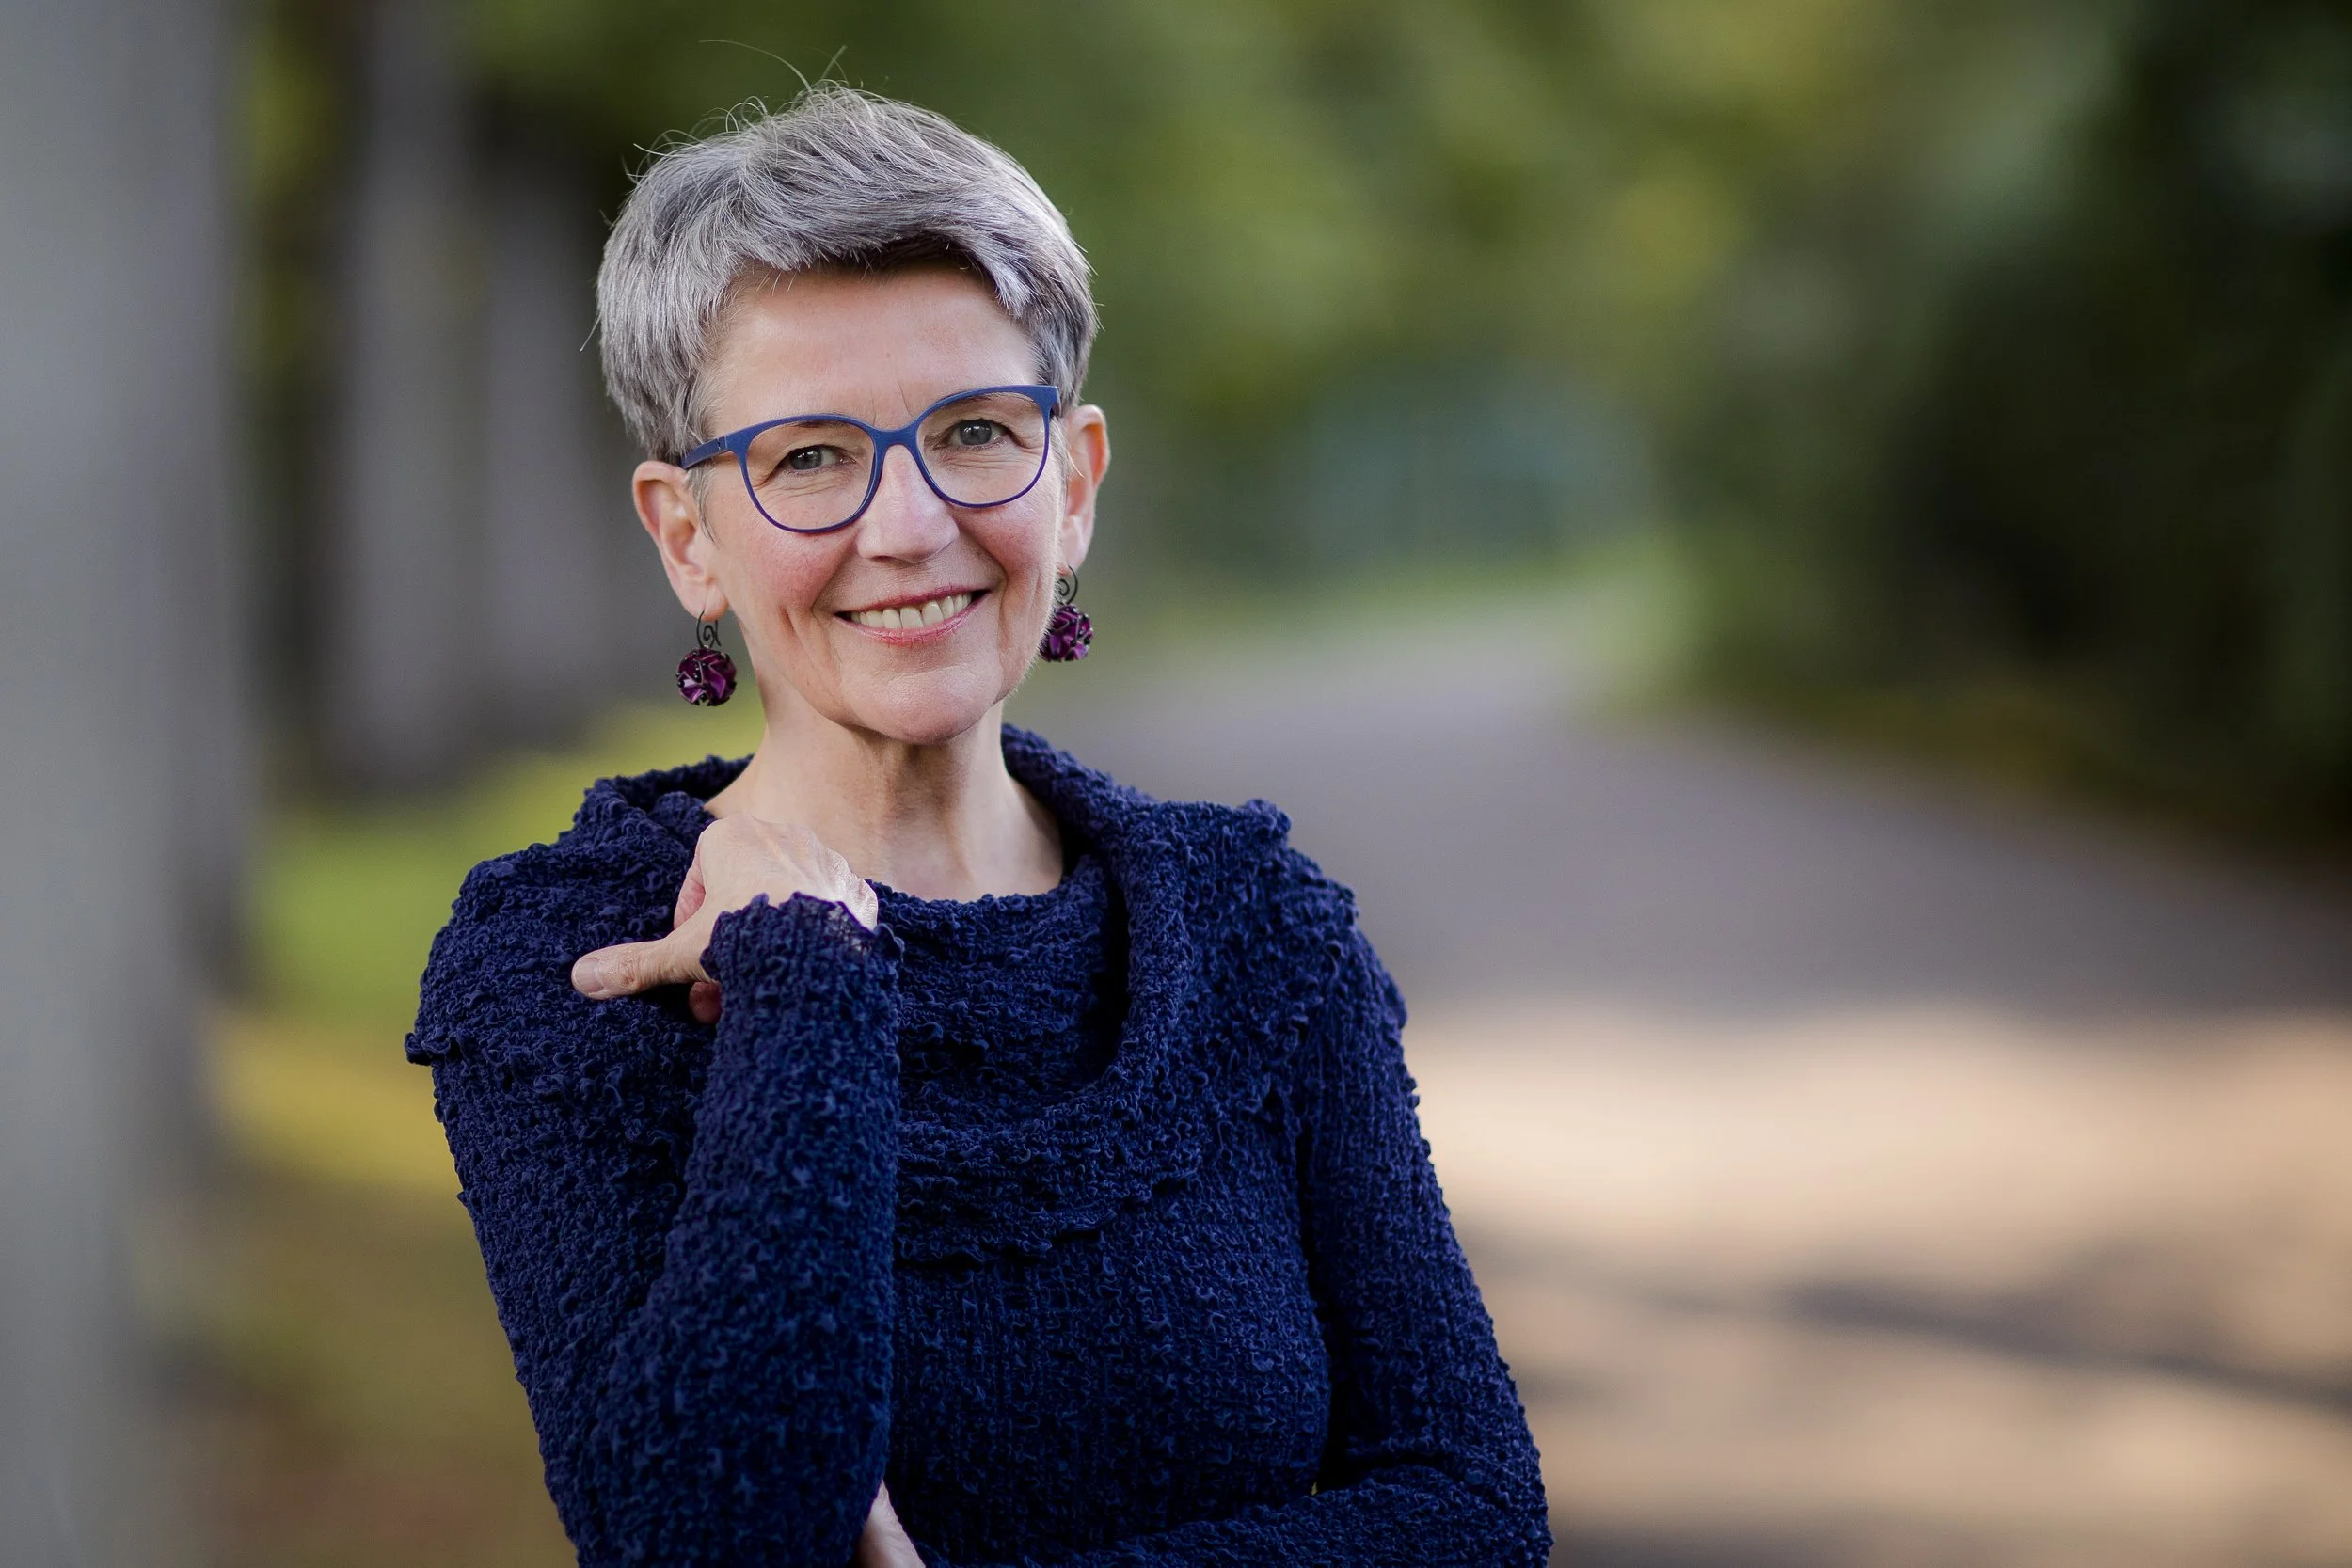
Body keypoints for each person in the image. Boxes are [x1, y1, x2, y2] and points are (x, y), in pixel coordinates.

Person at [407, 85, 1549, 1568]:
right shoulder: (570, 965)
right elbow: (707, 1536)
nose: (908, 525)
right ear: (689, 535)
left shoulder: (1252, 925)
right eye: (809, 456)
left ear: (1070, 486)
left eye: (973, 432)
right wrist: (804, 970)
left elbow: (1474, 1508)